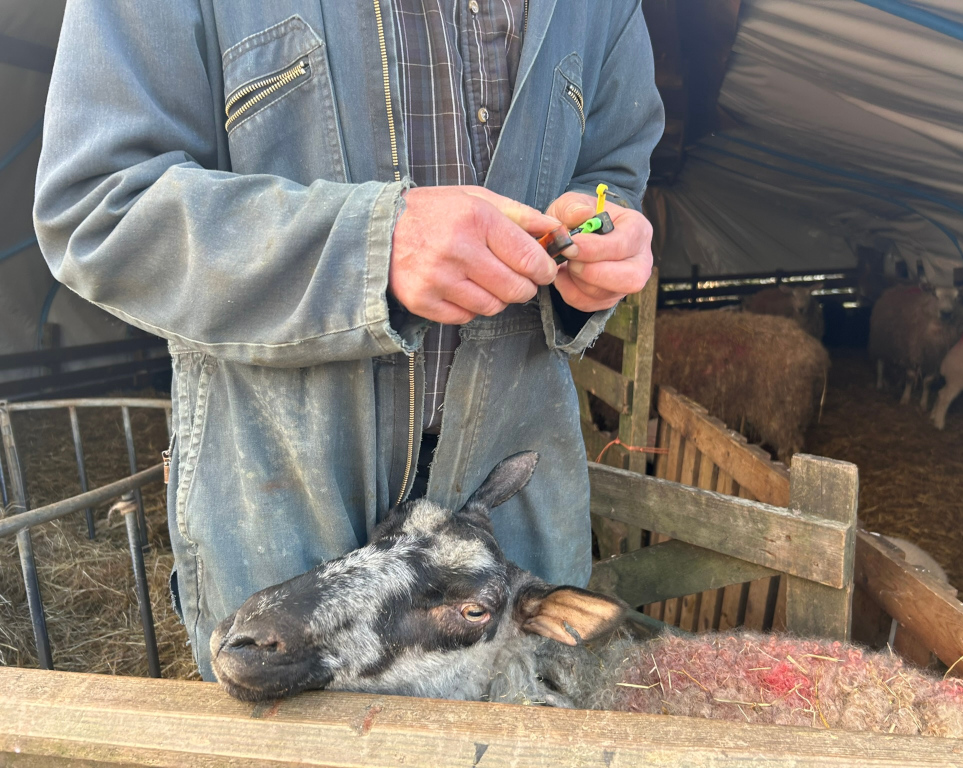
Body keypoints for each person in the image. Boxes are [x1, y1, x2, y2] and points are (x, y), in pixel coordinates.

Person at [34, 1, 664, 679]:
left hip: (512, 540)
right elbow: (98, 209)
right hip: (286, 529)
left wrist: (602, 242)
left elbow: (613, 175)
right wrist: (372, 247)